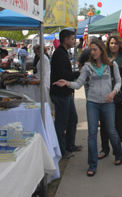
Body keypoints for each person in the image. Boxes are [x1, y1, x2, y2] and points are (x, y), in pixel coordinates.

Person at [54, 39, 122, 177]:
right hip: (92, 103)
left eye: (94, 49)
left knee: (111, 131)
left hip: (108, 103)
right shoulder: (87, 66)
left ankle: (118, 153)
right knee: (92, 134)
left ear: (101, 50)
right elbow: (78, 84)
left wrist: (113, 92)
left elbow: (119, 81)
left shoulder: (111, 64)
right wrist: (67, 83)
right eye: (91, 49)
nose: (92, 52)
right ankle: (92, 164)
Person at [98, 36, 122, 160]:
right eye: (111, 43)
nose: (113, 46)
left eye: (116, 43)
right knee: (104, 124)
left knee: (117, 123)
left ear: (120, 45)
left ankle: (117, 148)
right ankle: (105, 148)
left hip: (119, 97)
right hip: (104, 97)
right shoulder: (102, 59)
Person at [50, 29, 82, 158]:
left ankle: (70, 145)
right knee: (61, 123)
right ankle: (62, 151)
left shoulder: (63, 53)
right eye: (72, 39)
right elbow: (63, 75)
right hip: (60, 93)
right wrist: (78, 73)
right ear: (66, 39)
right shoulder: (59, 54)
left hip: (66, 93)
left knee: (72, 120)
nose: (74, 41)